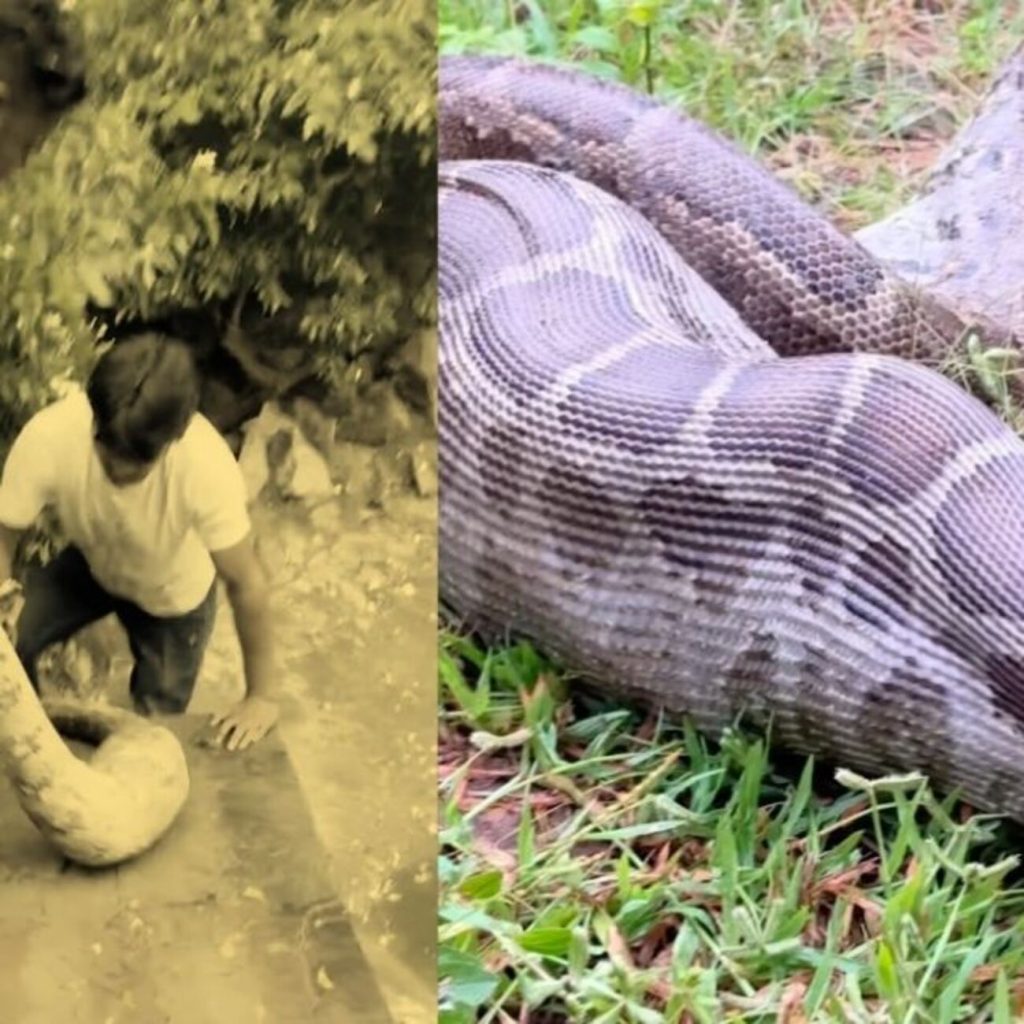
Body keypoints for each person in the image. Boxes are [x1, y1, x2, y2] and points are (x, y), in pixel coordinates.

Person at [0, 332, 278, 750]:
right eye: (108, 451)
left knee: (154, 731)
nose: (118, 470)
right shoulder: (50, 436)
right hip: (92, 565)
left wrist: (261, 695)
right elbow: (3, 533)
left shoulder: (207, 468)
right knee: (6, 646)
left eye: (137, 463)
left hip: (174, 599)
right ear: (94, 417)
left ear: (175, 437)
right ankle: (31, 742)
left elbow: (247, 583)